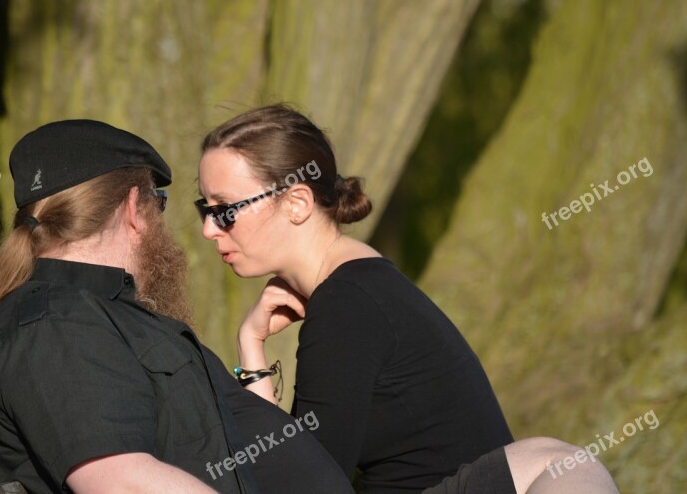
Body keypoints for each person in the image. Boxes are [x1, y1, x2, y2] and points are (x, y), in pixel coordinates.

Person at [196, 104, 620, 493]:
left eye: (226, 209)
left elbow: (300, 485)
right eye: (205, 208)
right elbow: (293, 466)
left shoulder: (347, 305)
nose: (210, 229)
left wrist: (251, 348)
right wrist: (250, 344)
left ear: (296, 202)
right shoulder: (362, 286)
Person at [0, 119, 355, 493]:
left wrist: (250, 346)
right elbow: (123, 483)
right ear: (133, 207)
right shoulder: (56, 321)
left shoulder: (95, 317)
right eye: (157, 202)